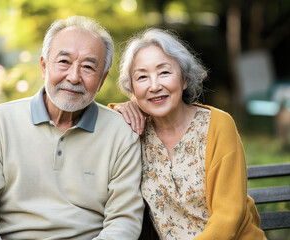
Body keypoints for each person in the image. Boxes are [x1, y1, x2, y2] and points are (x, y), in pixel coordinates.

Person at [0, 15, 144, 240]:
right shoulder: (0, 122)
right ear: (44, 66)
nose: (73, 77)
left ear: (102, 80)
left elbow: (124, 221)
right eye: (64, 62)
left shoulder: (121, 133)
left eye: (88, 67)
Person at [109, 28, 266, 239]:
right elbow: (96, 126)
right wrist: (118, 109)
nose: (154, 86)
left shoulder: (217, 125)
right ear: (133, 90)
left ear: (184, 80)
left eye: (164, 72)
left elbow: (228, 217)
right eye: (142, 77)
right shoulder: (134, 130)